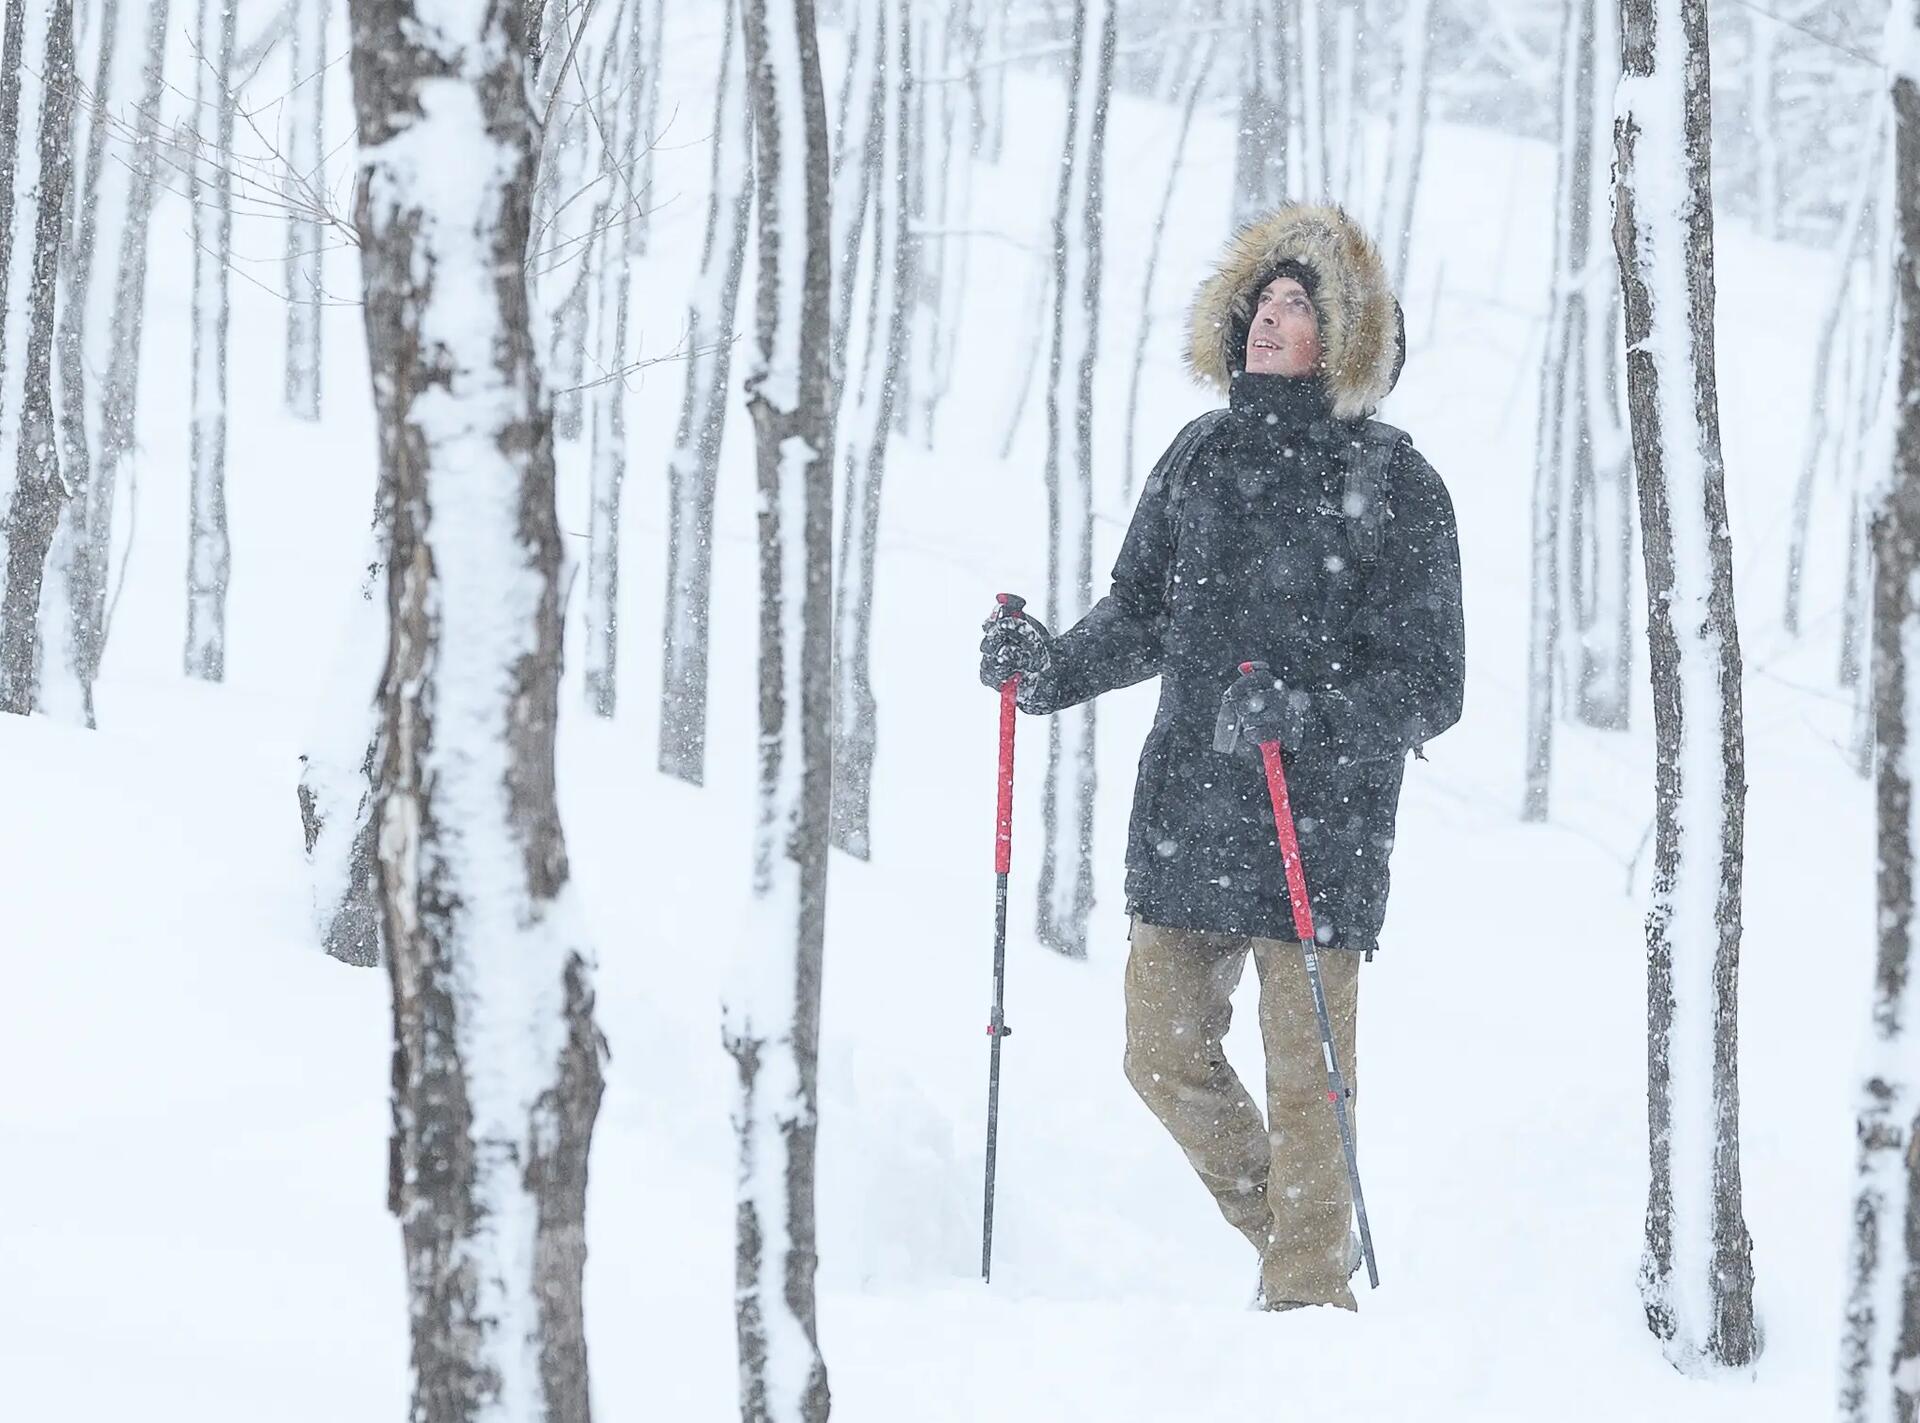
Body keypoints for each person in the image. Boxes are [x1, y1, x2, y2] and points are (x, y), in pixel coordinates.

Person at [978, 204, 1464, 1311]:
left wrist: (1308, 711)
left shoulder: (1396, 482)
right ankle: (1299, 1236)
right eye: (1262, 302)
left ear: (1342, 335)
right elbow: (1145, 610)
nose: (1269, 320)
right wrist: (1049, 670)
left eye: (1298, 306)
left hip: (1319, 828)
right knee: (1159, 1056)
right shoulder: (1201, 454)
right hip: (1190, 814)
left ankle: (1305, 1312)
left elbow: (1433, 685)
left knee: (1309, 1088)